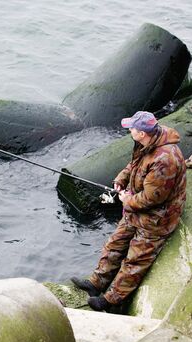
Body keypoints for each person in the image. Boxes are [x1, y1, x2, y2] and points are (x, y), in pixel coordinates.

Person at [71, 111, 187, 311]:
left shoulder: (164, 160)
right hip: (138, 208)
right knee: (114, 244)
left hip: (157, 218)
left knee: (135, 260)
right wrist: (121, 179)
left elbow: (152, 198)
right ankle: (96, 283)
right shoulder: (149, 141)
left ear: (142, 133)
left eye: (132, 128)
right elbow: (134, 165)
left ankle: (111, 301)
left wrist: (127, 200)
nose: (129, 130)